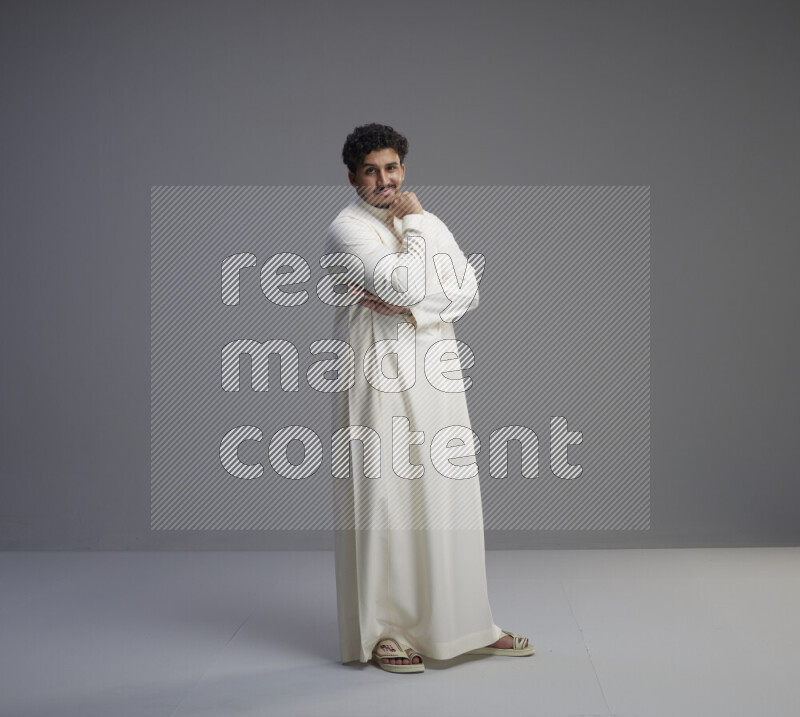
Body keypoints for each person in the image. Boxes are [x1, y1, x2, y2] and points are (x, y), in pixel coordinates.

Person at [324, 123, 534, 673]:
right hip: (377, 368)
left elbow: (467, 288)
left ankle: (464, 625)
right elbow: (401, 283)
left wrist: (419, 310)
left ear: (403, 170)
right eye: (371, 171)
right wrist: (415, 246)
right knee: (388, 495)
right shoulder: (347, 230)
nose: (384, 180)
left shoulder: (427, 221)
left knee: (447, 491)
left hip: (434, 364)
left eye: (392, 168)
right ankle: (385, 633)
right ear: (352, 177)